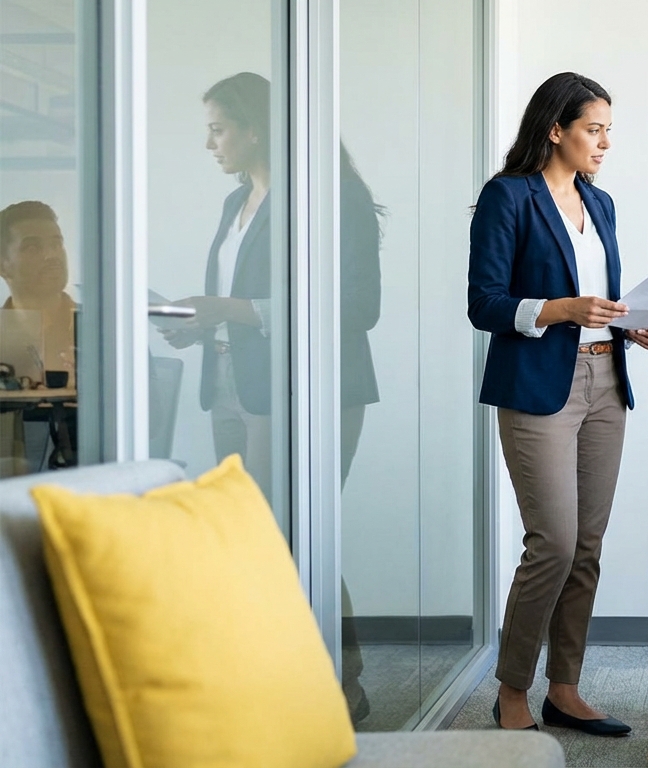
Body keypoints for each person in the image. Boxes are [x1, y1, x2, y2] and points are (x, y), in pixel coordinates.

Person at [159, 71, 383, 722]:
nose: (209, 144)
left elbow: (357, 306)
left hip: (310, 387)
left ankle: (338, 684)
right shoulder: (237, 204)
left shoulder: (331, 195)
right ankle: (318, 678)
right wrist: (200, 323)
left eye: (218, 129)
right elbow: (248, 306)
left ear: (256, 129)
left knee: (291, 530)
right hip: (232, 382)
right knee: (263, 534)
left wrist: (230, 307)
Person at [468, 72, 648, 735]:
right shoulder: (509, 197)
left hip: (606, 378)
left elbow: (598, 300)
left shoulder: (600, 204)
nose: (605, 143)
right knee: (550, 542)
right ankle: (512, 689)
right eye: (594, 129)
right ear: (556, 129)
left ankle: (567, 687)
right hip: (539, 387)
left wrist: (629, 322)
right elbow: (484, 303)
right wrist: (561, 310)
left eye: (610, 130)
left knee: (585, 545)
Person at [0, 201, 78, 474]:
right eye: (33, 247)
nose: (51, 255)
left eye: (57, 243)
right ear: (3, 265)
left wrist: (96, 388)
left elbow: (151, 420)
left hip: (82, 482)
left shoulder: (102, 332)